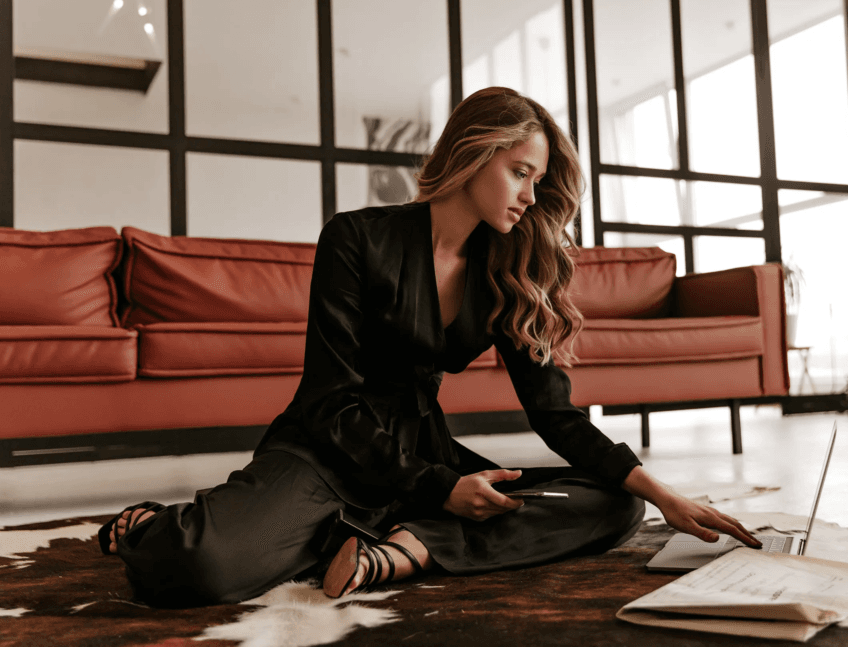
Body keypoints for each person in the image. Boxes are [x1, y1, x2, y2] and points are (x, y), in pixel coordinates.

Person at [98, 86, 760, 607]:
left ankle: (404, 549)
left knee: (616, 505)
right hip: (328, 449)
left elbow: (554, 415)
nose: (532, 196)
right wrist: (441, 487)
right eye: (520, 172)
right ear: (473, 154)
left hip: (426, 461)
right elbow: (331, 399)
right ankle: (162, 521)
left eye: (539, 180)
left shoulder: (508, 268)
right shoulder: (356, 238)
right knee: (193, 567)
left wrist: (662, 489)